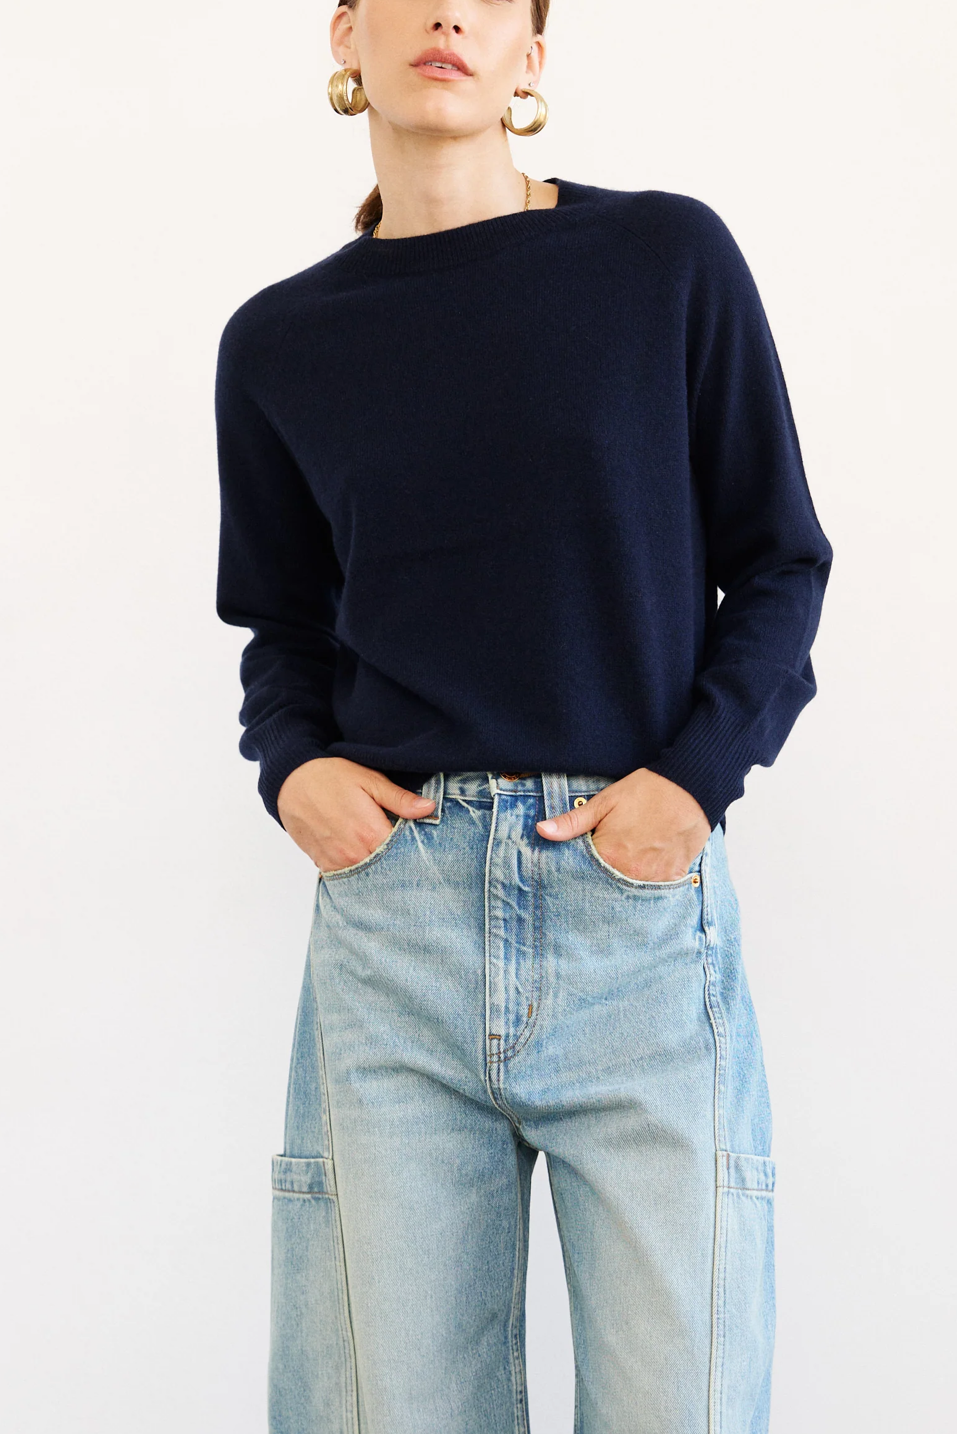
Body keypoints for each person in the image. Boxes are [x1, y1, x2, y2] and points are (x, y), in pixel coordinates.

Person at [214, 2, 832, 1430]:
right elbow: (284, 625)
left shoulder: (662, 261)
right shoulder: (279, 343)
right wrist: (294, 763)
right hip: (396, 927)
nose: (451, 14)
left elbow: (782, 559)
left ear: (533, 58)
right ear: (346, 33)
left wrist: (693, 779)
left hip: (633, 915)